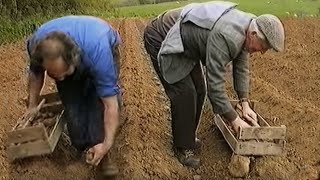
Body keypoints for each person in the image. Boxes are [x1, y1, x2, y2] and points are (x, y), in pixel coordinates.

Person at [144, 1, 285, 168]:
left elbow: (241, 69)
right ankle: (182, 148)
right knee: (185, 93)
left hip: (186, 40)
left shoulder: (248, 27)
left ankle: (187, 138)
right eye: (263, 47)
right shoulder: (227, 36)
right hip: (162, 36)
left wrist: (245, 104)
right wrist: (235, 120)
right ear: (253, 34)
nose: (262, 52)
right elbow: (215, 89)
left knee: (199, 89)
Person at [25, 15, 121, 176]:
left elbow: (109, 104)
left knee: (96, 103)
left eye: (62, 74)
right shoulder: (37, 45)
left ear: (73, 60)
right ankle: (82, 145)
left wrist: (106, 144)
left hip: (99, 40)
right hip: (72, 52)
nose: (59, 79)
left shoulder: (98, 52)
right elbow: (35, 73)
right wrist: (32, 104)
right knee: (72, 106)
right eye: (54, 75)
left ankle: (104, 156)